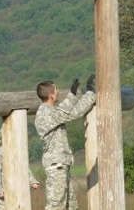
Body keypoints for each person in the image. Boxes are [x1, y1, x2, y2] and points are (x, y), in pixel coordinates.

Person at [35, 75, 96, 210]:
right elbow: (72, 113)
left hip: (61, 165)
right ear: (51, 95)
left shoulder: (51, 112)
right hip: (56, 166)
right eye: (56, 90)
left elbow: (67, 110)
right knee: (56, 206)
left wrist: (78, 94)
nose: (58, 93)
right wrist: (88, 93)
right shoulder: (46, 114)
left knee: (71, 206)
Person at [0, 145, 40, 210]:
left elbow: (24, 167)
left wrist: (33, 181)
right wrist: (0, 190)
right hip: (4, 187)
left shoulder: (17, 150)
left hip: (18, 188)